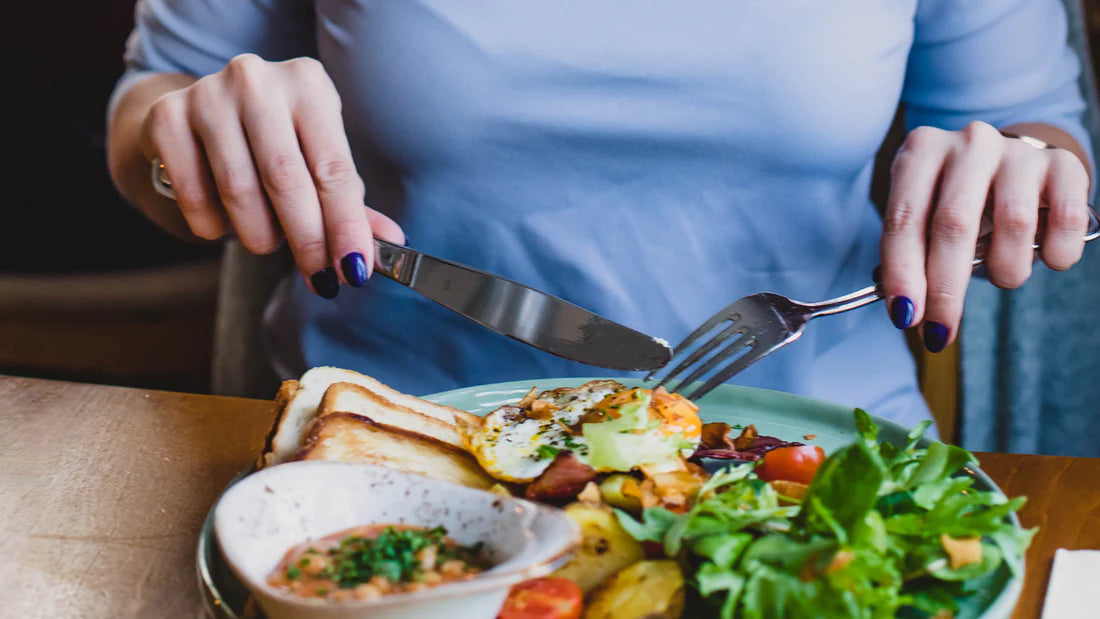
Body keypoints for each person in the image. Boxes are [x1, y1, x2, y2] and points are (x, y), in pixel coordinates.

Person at [107, 0, 1093, 433]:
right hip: (393, 447)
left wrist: (1020, 171)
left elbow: (1037, 127)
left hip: (818, 462)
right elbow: (148, 112)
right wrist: (182, 145)